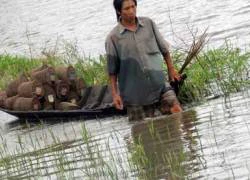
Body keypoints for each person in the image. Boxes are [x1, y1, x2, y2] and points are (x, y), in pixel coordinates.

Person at [105, 0, 182, 121]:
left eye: (133, 6)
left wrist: (171, 70)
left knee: (177, 111)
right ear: (119, 11)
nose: (131, 11)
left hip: (159, 84)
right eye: (127, 9)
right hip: (135, 96)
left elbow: (164, 50)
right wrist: (115, 95)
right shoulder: (113, 38)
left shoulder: (149, 24)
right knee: (142, 130)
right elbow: (112, 71)